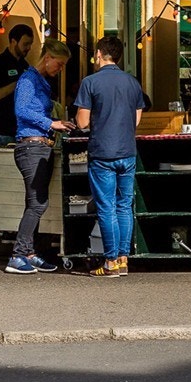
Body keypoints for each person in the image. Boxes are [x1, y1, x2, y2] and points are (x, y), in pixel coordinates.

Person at [73, 35, 149, 278]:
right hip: (127, 151)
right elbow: (136, 120)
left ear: (98, 54)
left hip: (102, 151)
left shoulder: (90, 82)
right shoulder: (133, 83)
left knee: (106, 208)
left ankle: (110, 262)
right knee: (124, 206)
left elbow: (82, 122)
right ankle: (124, 259)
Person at [6, 39, 73, 274]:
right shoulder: (27, 80)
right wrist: (51, 122)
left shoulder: (41, 82)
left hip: (41, 146)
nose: (61, 68)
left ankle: (29, 253)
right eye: (60, 63)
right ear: (47, 58)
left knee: (33, 203)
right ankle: (17, 255)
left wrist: (56, 123)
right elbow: (21, 110)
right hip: (30, 147)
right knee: (38, 203)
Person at [0, 24, 34, 145]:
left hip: (20, 130)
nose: (29, 48)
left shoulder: (25, 66)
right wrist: (16, 85)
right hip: (0, 130)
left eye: (30, 44)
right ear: (13, 41)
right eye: (25, 44)